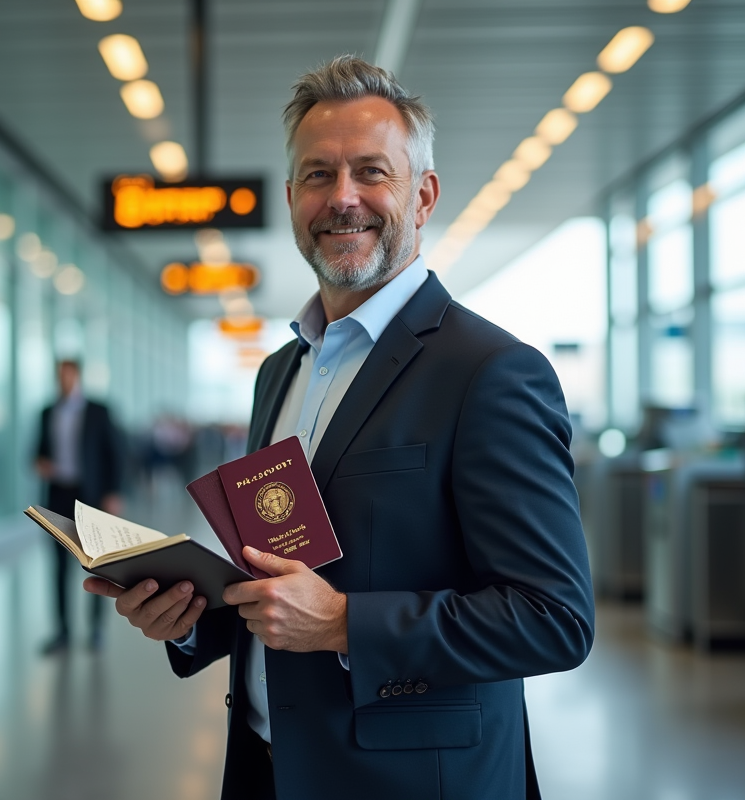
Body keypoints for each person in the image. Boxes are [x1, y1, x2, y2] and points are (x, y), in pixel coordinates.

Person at [85, 55, 595, 799]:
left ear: (423, 195)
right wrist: (192, 616)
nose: (342, 198)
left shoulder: (488, 371)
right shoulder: (280, 372)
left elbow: (554, 617)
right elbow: (279, 579)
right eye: (319, 175)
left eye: (370, 172)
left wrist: (347, 623)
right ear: (292, 197)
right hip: (268, 767)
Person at [34, 359, 123, 654]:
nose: (64, 381)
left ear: (78, 376)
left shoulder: (98, 411)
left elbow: (115, 453)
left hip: (91, 496)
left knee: (95, 562)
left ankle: (96, 629)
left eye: (68, 375)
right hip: (58, 493)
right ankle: (62, 631)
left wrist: (113, 492)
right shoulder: (47, 412)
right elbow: (36, 451)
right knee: (58, 565)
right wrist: (41, 462)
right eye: (59, 376)